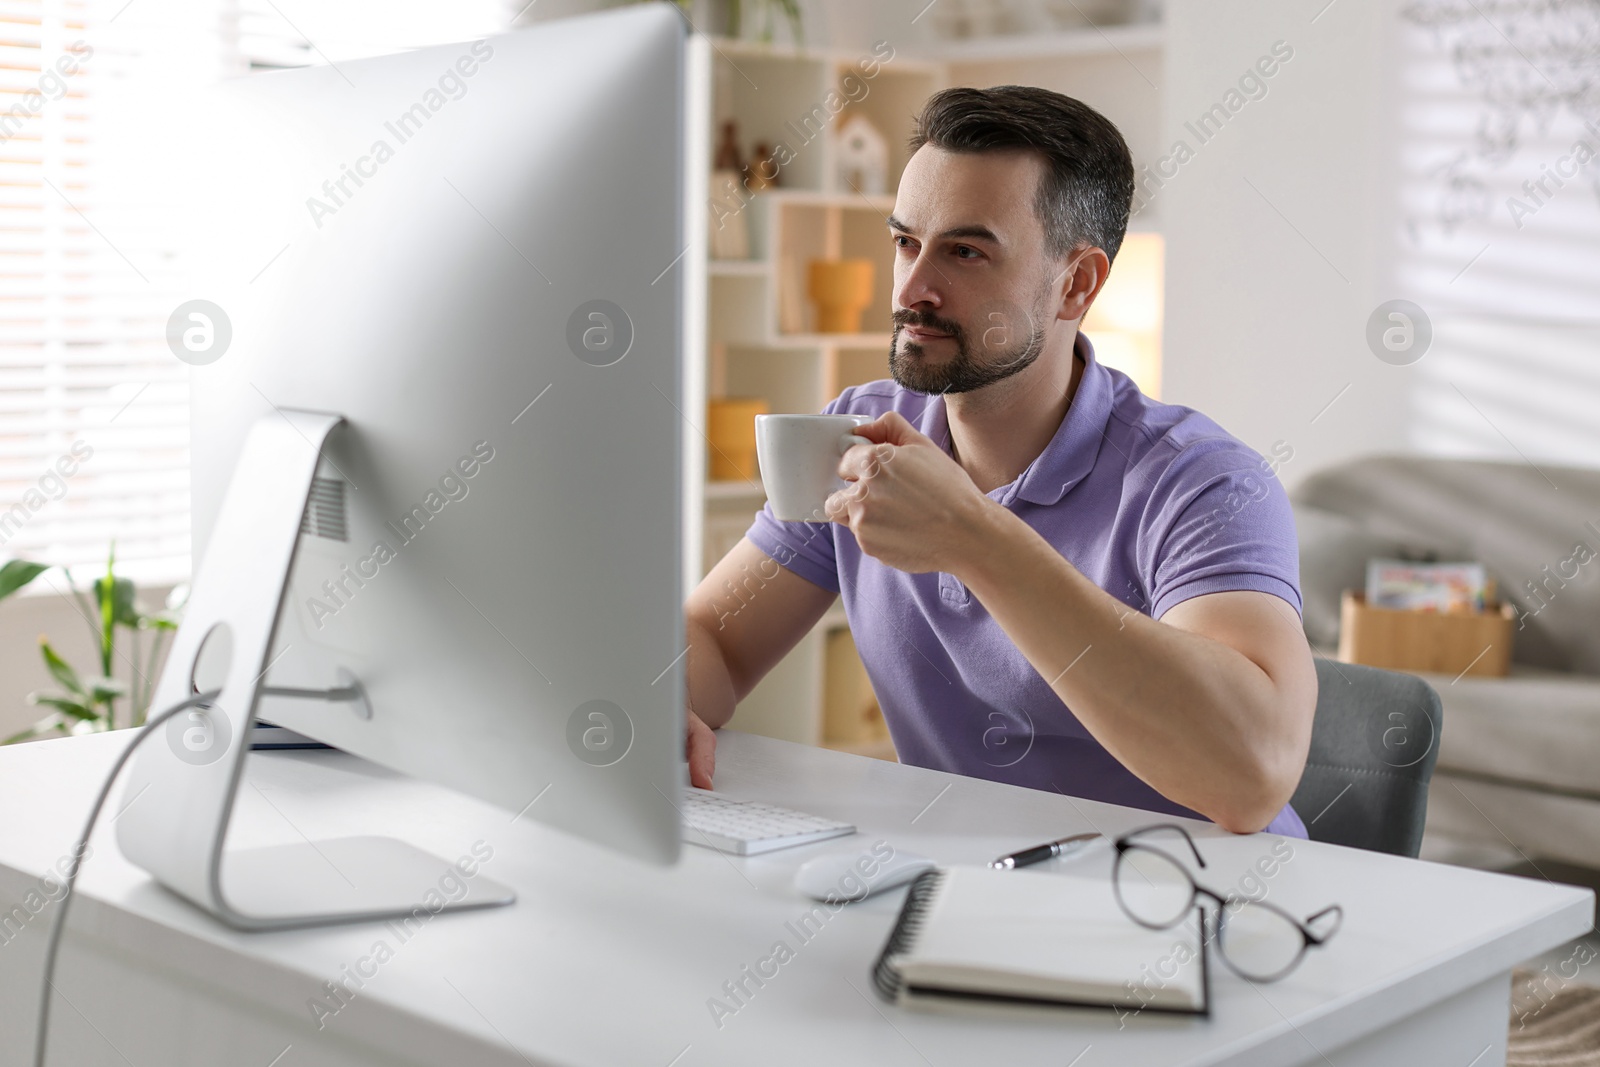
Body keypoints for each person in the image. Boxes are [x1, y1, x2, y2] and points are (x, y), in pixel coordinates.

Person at [683, 85, 1315, 836]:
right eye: (905, 242)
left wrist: (975, 536)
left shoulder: (1204, 482)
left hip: (1198, 914)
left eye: (965, 251)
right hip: (973, 898)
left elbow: (1250, 776)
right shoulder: (860, 438)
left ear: (1076, 283)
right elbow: (716, 641)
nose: (913, 288)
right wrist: (653, 702)